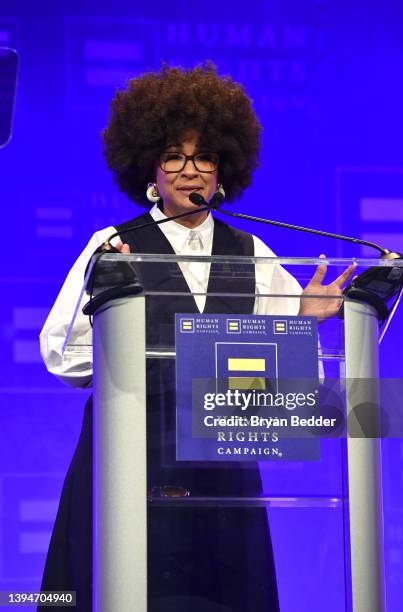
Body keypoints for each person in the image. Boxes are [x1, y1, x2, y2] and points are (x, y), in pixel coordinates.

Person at [39, 63, 354, 612]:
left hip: (222, 472)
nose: (190, 171)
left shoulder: (255, 254)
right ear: (150, 170)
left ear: (222, 169)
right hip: (131, 460)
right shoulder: (113, 245)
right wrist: (116, 313)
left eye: (203, 156)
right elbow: (60, 353)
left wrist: (304, 322)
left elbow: (294, 381)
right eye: (174, 157)